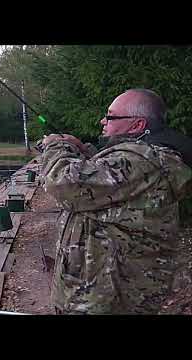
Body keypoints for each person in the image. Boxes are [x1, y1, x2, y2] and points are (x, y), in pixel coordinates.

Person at [40, 89, 192, 314]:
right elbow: (109, 178)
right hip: (103, 291)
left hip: (107, 299)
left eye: (110, 116)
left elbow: (62, 182)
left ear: (137, 125)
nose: (103, 121)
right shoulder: (141, 159)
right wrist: (85, 150)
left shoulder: (142, 161)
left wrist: (56, 145)